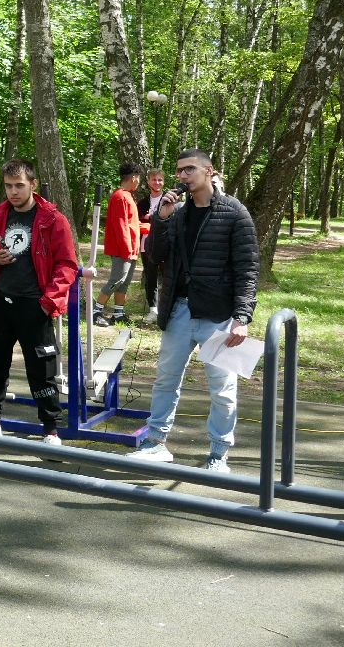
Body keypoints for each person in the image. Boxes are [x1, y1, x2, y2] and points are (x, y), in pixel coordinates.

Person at [127, 148, 259, 472]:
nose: (183, 176)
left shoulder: (234, 213)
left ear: (208, 171)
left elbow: (247, 269)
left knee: (223, 389)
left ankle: (218, 452)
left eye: (189, 170)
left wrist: (242, 318)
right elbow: (156, 256)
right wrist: (161, 219)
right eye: (179, 171)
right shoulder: (179, 213)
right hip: (180, 311)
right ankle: (155, 441)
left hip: (218, 315)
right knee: (166, 379)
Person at [0, 159, 76, 445]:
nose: (13, 192)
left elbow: (67, 266)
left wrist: (48, 302)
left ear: (33, 184)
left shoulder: (53, 219)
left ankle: (51, 430)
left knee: (42, 370)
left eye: (19, 186)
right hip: (1, 301)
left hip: (34, 305)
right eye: (8, 186)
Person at [94, 162, 141, 327]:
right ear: (134, 177)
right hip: (123, 249)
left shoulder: (128, 196)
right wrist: (127, 249)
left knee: (124, 282)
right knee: (117, 279)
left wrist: (148, 227)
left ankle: (118, 313)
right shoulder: (120, 196)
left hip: (131, 249)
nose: (139, 181)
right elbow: (120, 225)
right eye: (139, 178)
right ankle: (95, 311)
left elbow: (132, 224)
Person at [139, 167, 166, 323]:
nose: (157, 182)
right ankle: (153, 310)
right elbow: (138, 222)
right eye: (154, 179)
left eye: (160, 179)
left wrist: (151, 218)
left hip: (164, 244)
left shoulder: (169, 199)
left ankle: (166, 309)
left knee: (168, 276)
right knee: (151, 277)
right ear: (148, 181)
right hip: (146, 244)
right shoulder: (142, 203)